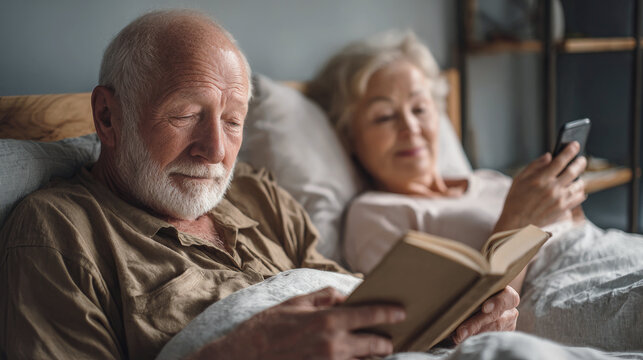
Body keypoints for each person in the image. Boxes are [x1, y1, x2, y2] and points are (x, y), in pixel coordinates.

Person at [0, 12, 519, 359]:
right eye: (185, 114)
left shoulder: (258, 194)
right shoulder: (58, 232)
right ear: (108, 117)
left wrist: (452, 324)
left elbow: (354, 313)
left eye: (232, 121)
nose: (215, 150)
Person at [307, 29, 588, 337]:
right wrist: (520, 221)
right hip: (575, 301)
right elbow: (429, 328)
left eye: (419, 109)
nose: (410, 128)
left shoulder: (488, 180)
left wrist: (567, 202)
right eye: (385, 116)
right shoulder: (374, 213)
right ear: (349, 136)